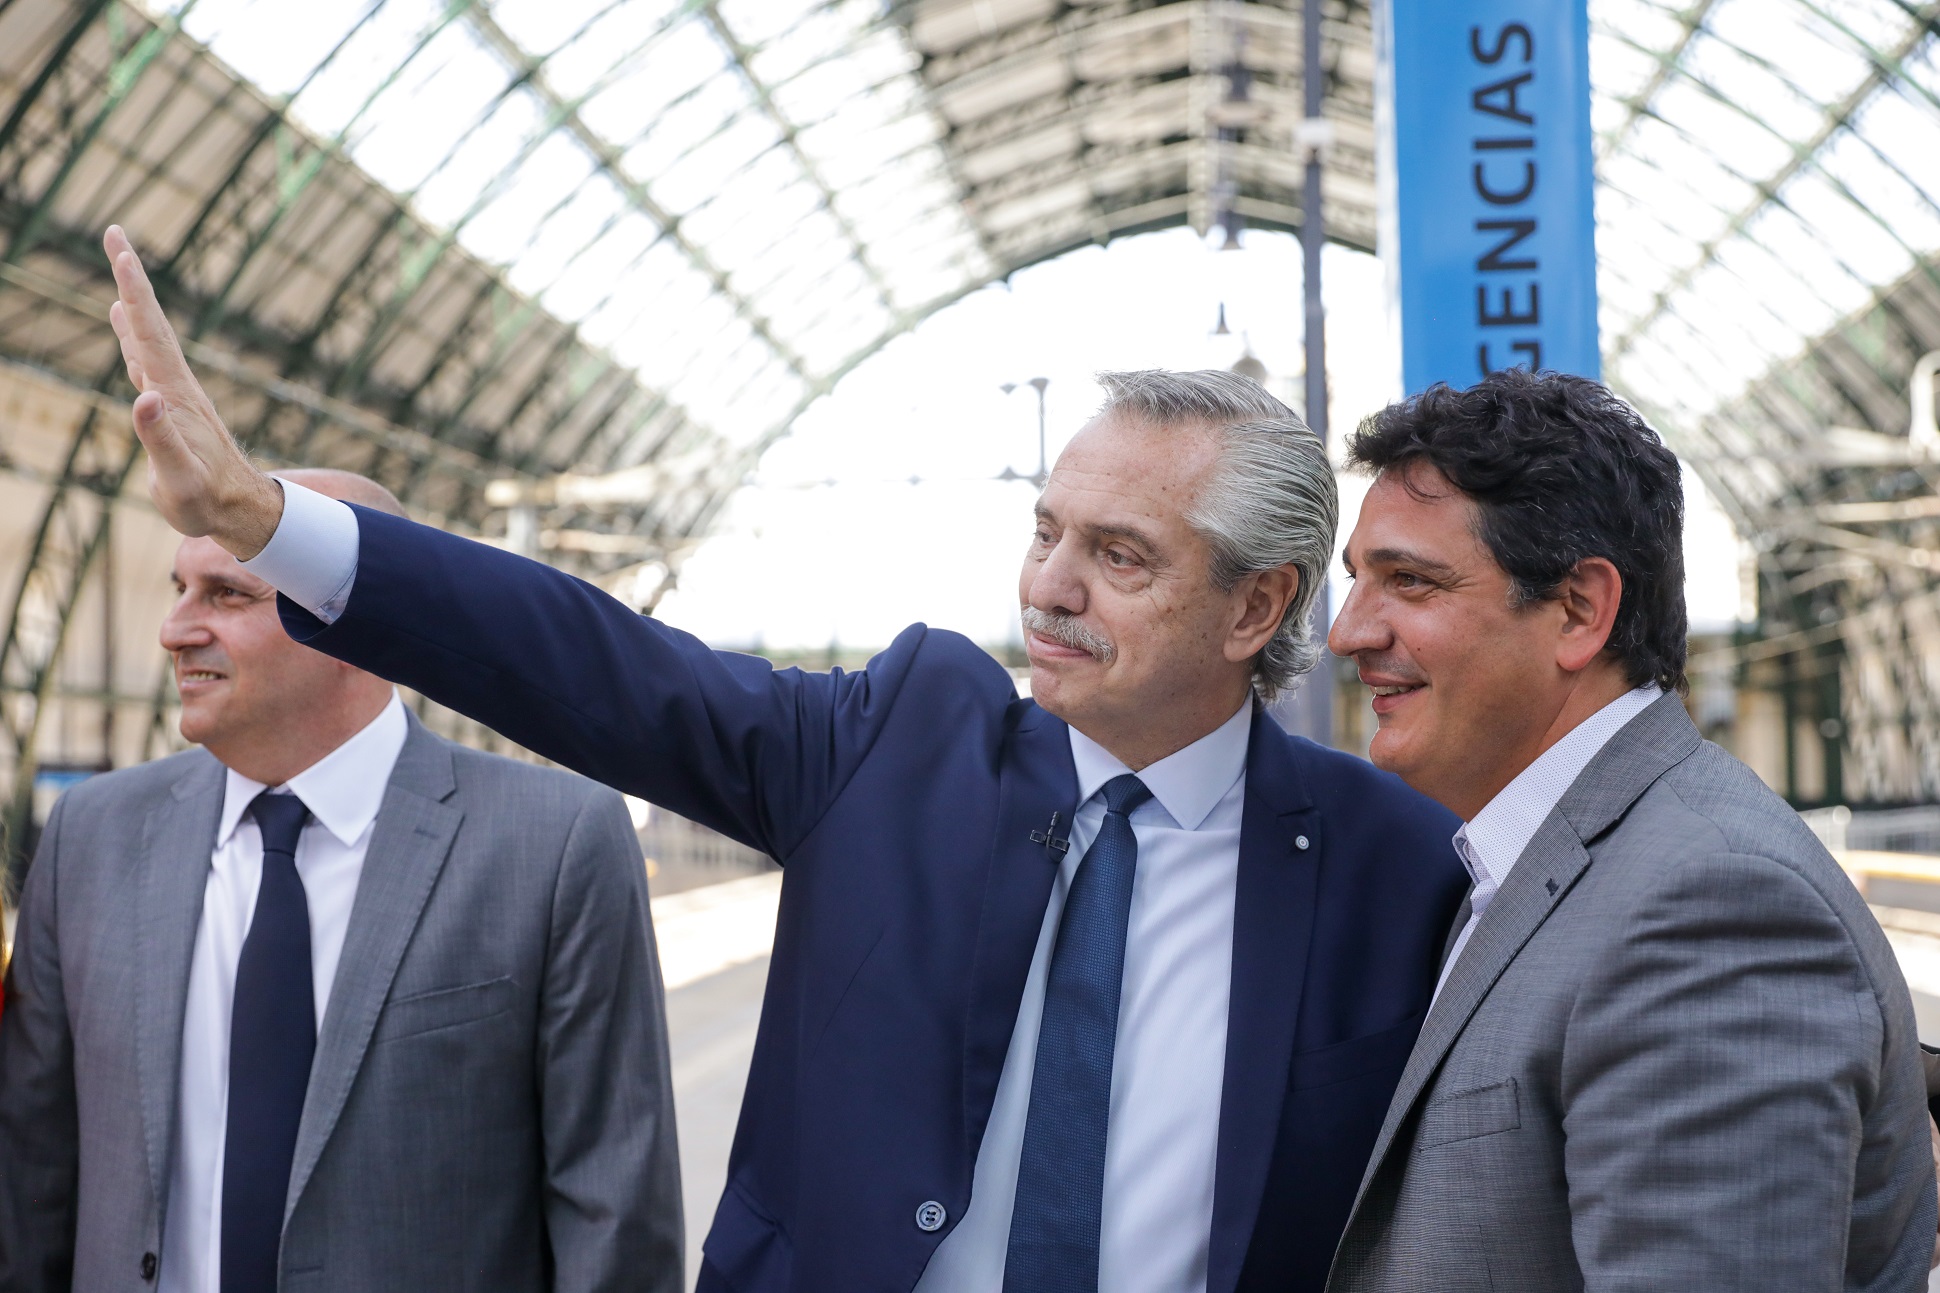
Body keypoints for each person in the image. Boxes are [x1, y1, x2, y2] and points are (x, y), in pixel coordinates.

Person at [100, 224, 1465, 1293]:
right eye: (1047, 530)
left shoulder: (1391, 863)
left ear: (1256, 607)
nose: (1049, 588)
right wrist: (265, 523)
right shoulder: (897, 742)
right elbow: (595, 664)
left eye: (1119, 559)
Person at [1323, 369, 1937, 1292]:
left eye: (1409, 580)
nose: (1348, 631)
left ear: (1579, 610)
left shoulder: (1712, 908)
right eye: (1357, 579)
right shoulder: (1550, 865)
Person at [0, 468, 683, 1293]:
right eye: (180, 587)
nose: (175, 628)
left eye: (227, 593)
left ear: (361, 620)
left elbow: (613, 1221)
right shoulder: (90, 840)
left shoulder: (553, 846)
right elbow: (30, 1185)